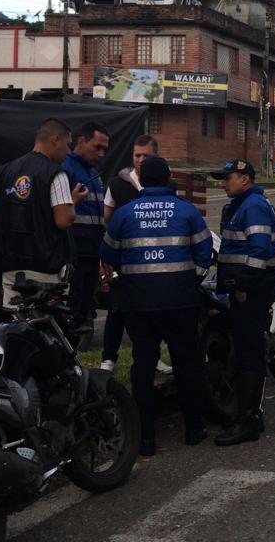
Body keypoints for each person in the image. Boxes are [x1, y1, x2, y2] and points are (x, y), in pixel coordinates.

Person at [99, 156, 212, 457]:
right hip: (180, 301)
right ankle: (194, 428)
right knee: (187, 363)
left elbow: (107, 252)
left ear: (143, 181)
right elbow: (204, 251)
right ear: (168, 179)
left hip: (139, 304)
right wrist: (194, 279)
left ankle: (146, 439)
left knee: (143, 366)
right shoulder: (187, 210)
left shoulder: (124, 214)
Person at [210, 158, 275, 447]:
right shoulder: (242, 204)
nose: (224, 182)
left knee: (249, 352)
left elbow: (260, 250)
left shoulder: (253, 206)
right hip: (245, 289)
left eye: (229, 177)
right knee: (243, 349)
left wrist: (242, 286)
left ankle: (248, 421)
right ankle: (246, 414)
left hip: (251, 290)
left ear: (245, 179)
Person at [0, 118, 84, 305]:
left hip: (11, 269)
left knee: (17, 327)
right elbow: (64, 220)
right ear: (55, 140)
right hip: (45, 270)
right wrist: (73, 201)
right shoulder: (55, 173)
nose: (68, 152)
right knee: (46, 326)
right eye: (67, 145)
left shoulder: (4, 172)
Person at [99, 135, 172, 375]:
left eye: (146, 156)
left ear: (156, 156)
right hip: (125, 260)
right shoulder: (117, 183)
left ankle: (154, 357)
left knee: (155, 311)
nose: (140, 160)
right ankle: (108, 358)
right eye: (137, 155)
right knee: (117, 308)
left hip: (157, 261)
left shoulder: (167, 185)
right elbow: (108, 220)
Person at [61, 122, 109, 339]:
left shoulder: (94, 173)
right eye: (96, 147)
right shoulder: (66, 168)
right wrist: (72, 201)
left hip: (92, 252)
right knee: (70, 307)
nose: (101, 154)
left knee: (84, 308)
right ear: (81, 141)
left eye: (104, 150)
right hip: (73, 252)